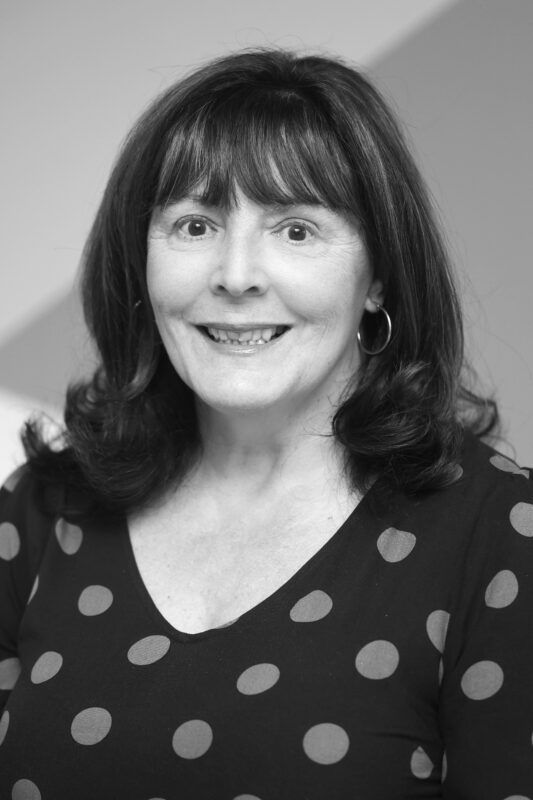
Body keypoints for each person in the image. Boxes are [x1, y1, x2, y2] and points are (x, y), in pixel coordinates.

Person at [0, 47, 532, 800]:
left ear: (377, 276)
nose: (236, 274)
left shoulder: (502, 534)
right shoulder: (41, 508)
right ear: (140, 262)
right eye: (193, 225)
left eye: (295, 230)